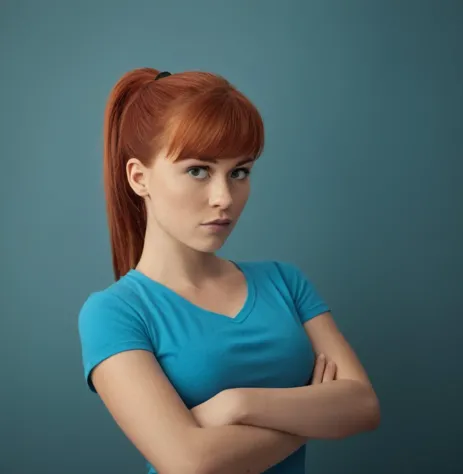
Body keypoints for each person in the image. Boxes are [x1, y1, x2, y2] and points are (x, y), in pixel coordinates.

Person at [78, 67, 380, 474]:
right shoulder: (114, 314)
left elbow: (363, 406)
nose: (224, 198)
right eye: (198, 170)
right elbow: (192, 464)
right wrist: (315, 412)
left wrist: (238, 404)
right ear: (139, 177)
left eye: (239, 172)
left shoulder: (284, 282)